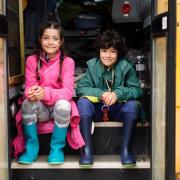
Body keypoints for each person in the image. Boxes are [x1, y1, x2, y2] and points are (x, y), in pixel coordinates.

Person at [76, 29, 143, 167]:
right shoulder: (93, 65)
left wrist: (117, 93)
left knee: (132, 105)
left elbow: (137, 90)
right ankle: (87, 151)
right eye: (104, 50)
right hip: (98, 111)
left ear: (119, 53)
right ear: (99, 51)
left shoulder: (126, 67)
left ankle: (125, 151)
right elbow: (81, 88)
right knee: (83, 103)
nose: (108, 55)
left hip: (118, 111)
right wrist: (100, 94)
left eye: (113, 51)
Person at [18, 21, 82, 165]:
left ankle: (56, 149)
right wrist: (32, 92)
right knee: (27, 103)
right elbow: (30, 86)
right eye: (46, 38)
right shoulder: (31, 60)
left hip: (58, 109)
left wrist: (45, 93)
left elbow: (67, 92)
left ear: (61, 41)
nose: (50, 42)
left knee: (65, 104)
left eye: (55, 38)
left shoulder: (68, 62)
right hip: (41, 109)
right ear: (40, 39)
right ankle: (31, 149)